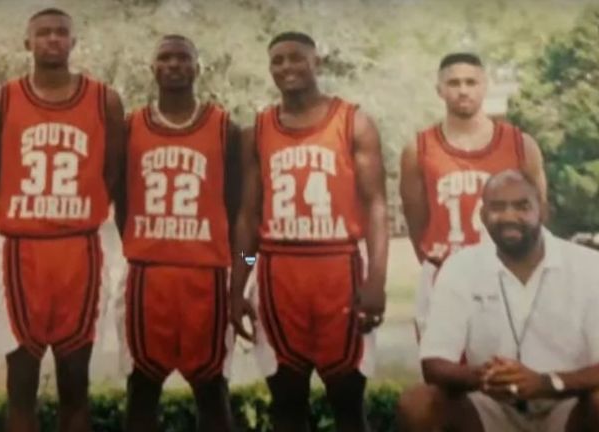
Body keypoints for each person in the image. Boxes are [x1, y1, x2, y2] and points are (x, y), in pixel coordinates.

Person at [229, 31, 389, 432]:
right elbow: (250, 221)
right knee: (286, 402)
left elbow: (375, 206)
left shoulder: (353, 121)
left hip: (339, 266)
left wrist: (377, 279)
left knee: (347, 401)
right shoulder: (259, 130)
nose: (287, 68)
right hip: (277, 269)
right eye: (277, 61)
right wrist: (240, 281)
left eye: (296, 58)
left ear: (316, 62)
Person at [0, 8, 125, 432]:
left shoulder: (105, 100)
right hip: (17, 248)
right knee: (20, 386)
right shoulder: (2, 100)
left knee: (74, 384)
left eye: (61, 33)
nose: (52, 39)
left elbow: (113, 173)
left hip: (79, 250)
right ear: (27, 43)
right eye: (43, 33)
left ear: (73, 42)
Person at [397, 169, 599, 431]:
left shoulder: (589, 266)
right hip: (491, 404)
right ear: (482, 216)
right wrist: (488, 377)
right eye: (497, 207)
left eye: (522, 206)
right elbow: (434, 364)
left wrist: (545, 383)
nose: (508, 216)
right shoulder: (460, 267)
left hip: (567, 402)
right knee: (417, 404)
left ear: (543, 211)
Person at [115, 34, 240, 432]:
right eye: (164, 58)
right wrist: (146, 244)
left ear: (197, 67)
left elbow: (242, 219)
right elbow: (121, 204)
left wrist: (245, 271)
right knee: (142, 386)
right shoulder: (131, 126)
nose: (173, 65)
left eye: (182, 58)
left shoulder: (224, 127)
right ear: (152, 69)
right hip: (148, 275)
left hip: (208, 277)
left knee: (211, 387)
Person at [399, 53, 547, 339]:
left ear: (485, 86)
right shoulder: (419, 148)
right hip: (444, 271)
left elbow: (538, 212)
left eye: (471, 82)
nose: (463, 90)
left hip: (505, 270)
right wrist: (436, 259)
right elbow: (415, 217)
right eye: (454, 83)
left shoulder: (520, 144)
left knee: (510, 372)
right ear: (439, 89)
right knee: (443, 372)